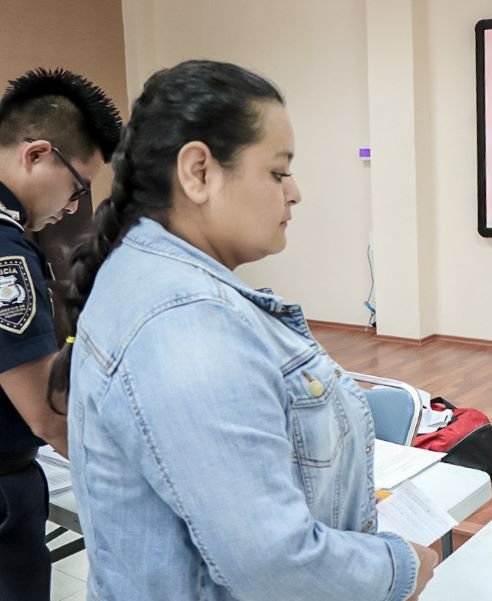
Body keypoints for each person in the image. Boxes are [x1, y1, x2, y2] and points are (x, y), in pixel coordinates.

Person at [48, 60, 438, 600]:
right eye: (278, 172)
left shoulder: (150, 281)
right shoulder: (186, 324)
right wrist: (401, 567)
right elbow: (275, 565)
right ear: (199, 172)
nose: (295, 192)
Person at [0, 68, 121, 601]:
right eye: (77, 186)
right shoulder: (6, 251)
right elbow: (47, 415)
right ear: (37, 154)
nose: (72, 206)